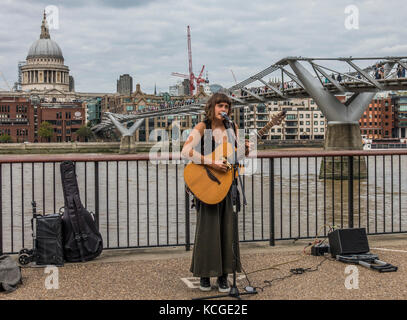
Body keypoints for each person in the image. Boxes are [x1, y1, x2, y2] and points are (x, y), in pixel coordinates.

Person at [181, 92, 250, 293]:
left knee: (228, 230)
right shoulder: (203, 128)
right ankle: (204, 274)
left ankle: (223, 276)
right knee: (207, 230)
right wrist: (212, 162)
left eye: (227, 107)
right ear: (212, 108)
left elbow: (238, 157)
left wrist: (246, 149)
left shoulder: (233, 128)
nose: (224, 110)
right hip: (207, 185)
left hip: (228, 185)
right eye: (220, 106)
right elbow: (186, 151)